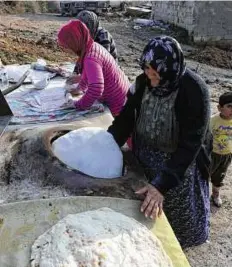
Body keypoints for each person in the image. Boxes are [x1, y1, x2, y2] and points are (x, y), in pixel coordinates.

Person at [108, 36, 212, 248]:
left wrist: (163, 183)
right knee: (145, 210)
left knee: (176, 216)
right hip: (145, 156)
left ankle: (178, 247)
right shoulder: (141, 82)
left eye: (156, 76)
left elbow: (191, 144)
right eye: (148, 72)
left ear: (171, 71)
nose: (151, 81)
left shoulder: (194, 91)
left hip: (177, 165)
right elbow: (126, 118)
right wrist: (108, 142)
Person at [57, 20, 130, 116]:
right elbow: (88, 74)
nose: (67, 50)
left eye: (67, 46)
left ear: (75, 42)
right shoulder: (91, 47)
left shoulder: (91, 58)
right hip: (122, 94)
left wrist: (77, 105)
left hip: (118, 105)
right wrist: (79, 89)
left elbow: (96, 89)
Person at [210, 92, 232, 207]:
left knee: (219, 176)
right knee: (205, 174)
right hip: (212, 154)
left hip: (227, 154)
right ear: (219, 107)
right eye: (229, 106)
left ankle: (215, 194)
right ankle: (200, 194)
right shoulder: (213, 121)